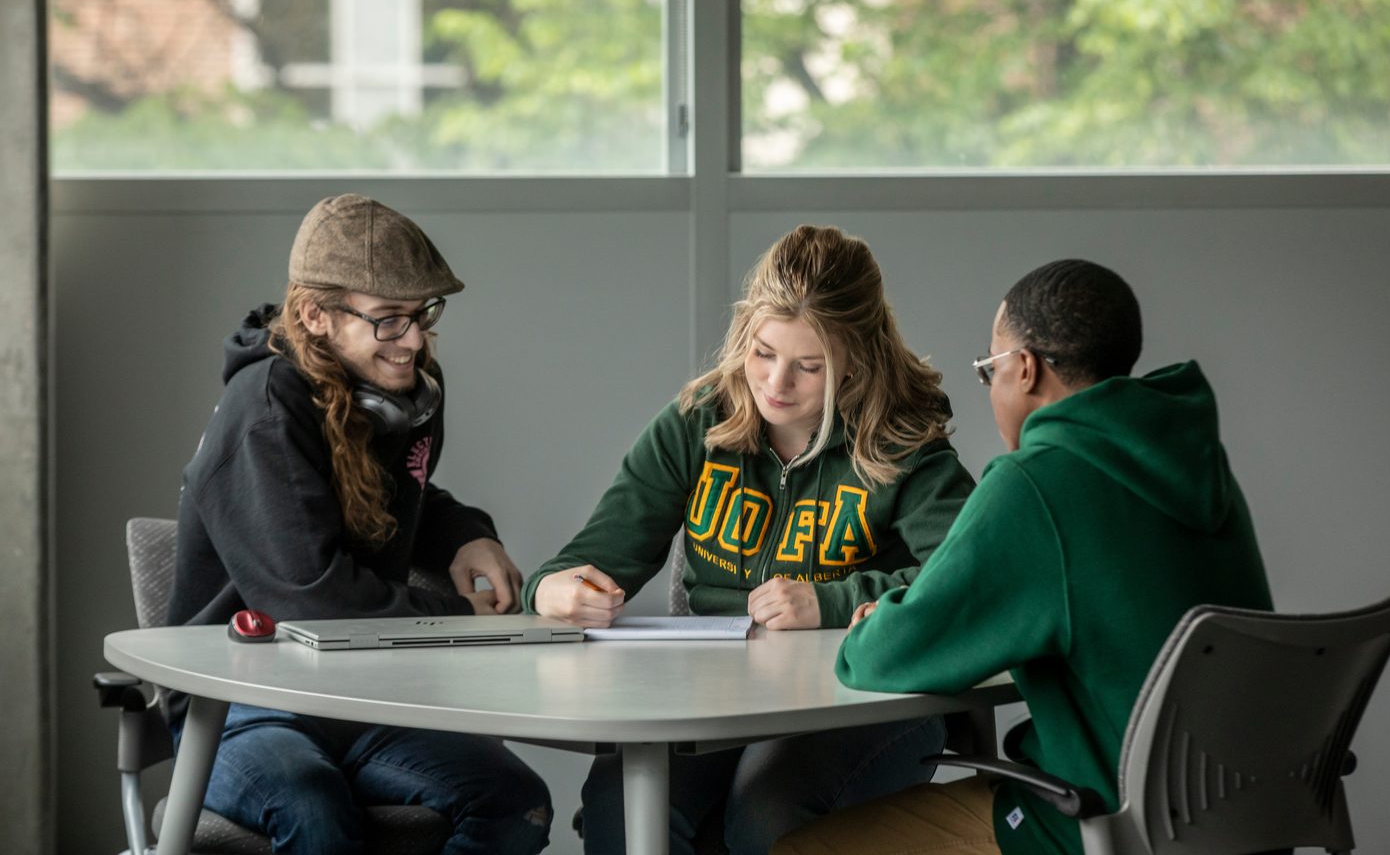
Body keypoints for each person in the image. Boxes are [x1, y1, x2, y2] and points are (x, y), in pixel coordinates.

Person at [771, 259, 1275, 855]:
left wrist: (874, 624)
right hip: (1249, 816)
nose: (990, 388)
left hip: (1102, 824)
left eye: (989, 371)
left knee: (797, 848)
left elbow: (882, 658)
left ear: (1026, 369)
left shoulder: (1035, 485)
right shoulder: (1192, 462)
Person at [521, 224, 978, 855]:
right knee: (618, 807)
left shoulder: (905, 441)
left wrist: (834, 601)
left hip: (862, 697)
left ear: (858, 359)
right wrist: (550, 589)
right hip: (720, 693)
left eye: (808, 366)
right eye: (763, 353)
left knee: (767, 811)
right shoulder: (698, 421)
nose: (776, 384)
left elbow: (975, 578)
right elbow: (590, 558)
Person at [165, 194, 551, 855]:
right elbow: (311, 597)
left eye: (424, 315)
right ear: (315, 315)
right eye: (389, 320)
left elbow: (387, 497)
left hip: (359, 697)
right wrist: (463, 618)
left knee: (516, 804)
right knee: (310, 805)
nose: (415, 341)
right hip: (241, 705)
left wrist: (464, 532)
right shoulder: (261, 413)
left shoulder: (400, 393)